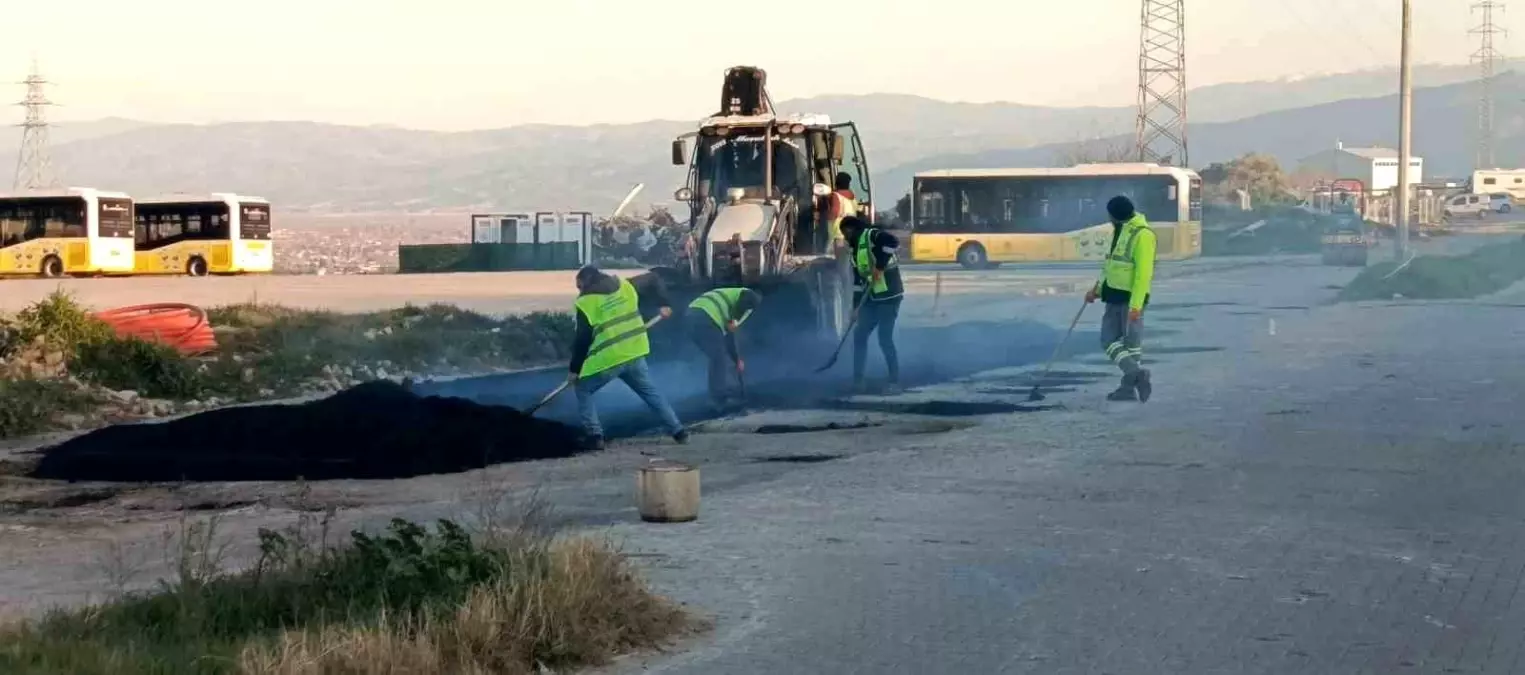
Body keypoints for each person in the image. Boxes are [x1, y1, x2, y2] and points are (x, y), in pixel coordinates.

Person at [568, 265, 688, 450]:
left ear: (586, 282)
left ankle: (595, 435)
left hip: (609, 359)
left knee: (583, 389)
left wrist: (574, 370)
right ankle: (678, 431)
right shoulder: (625, 286)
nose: (580, 291)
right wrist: (664, 303)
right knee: (651, 394)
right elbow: (653, 278)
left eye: (580, 286)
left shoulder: (586, 303)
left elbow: (582, 339)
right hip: (634, 353)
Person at [1083, 195, 1156, 402]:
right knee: (1117, 343)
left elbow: (1144, 273)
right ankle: (1130, 383)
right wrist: (1096, 291)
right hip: (1113, 294)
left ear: (1115, 214)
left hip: (1131, 299)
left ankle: (1132, 379)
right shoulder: (1121, 231)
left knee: (1120, 342)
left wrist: (1136, 305)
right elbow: (1111, 266)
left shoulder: (1143, 235)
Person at [839, 215, 904, 394]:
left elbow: (893, 242)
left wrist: (880, 267)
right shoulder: (854, 252)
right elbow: (858, 283)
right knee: (859, 336)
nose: (845, 237)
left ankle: (894, 382)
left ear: (852, 229)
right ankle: (858, 380)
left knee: (884, 338)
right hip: (871, 299)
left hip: (889, 296)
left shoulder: (872, 235)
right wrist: (855, 309)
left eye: (846, 233)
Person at [685, 286, 764, 411]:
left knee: (717, 356)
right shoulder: (748, 295)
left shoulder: (730, 302)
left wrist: (736, 359)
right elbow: (748, 297)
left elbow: (728, 337)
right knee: (718, 358)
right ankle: (718, 399)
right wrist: (735, 319)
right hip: (706, 316)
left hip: (691, 315)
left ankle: (718, 395)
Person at [827, 172, 858, 249]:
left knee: (839, 256)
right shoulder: (852, 197)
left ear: (837, 183)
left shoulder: (836, 195)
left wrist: (825, 218)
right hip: (851, 232)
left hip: (839, 233)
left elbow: (834, 212)